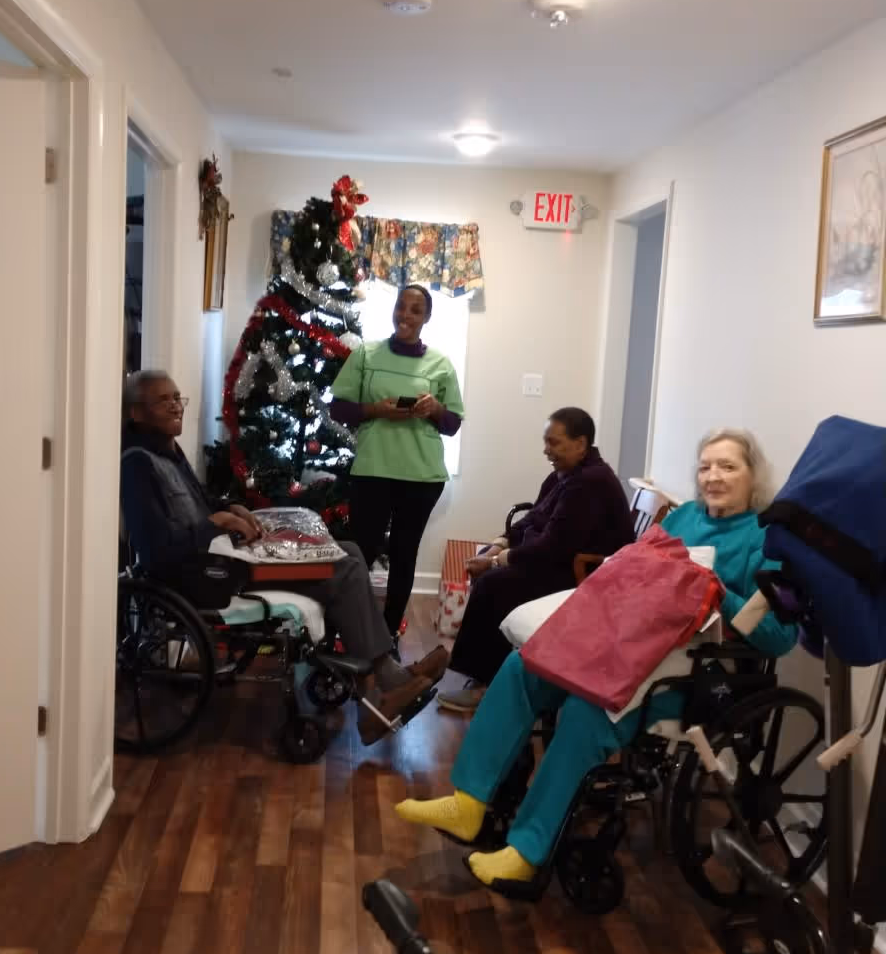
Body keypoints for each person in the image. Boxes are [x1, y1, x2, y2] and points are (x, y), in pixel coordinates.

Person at [395, 429, 797, 892]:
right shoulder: (685, 516)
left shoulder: (763, 539)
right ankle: (468, 801)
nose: (713, 476)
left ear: (754, 476)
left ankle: (526, 851)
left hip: (686, 672)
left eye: (728, 466)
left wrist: (716, 591)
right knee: (524, 666)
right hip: (625, 644)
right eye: (705, 466)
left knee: (589, 713)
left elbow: (777, 637)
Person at [119, 370, 447, 745]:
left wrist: (232, 509)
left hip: (221, 554)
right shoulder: (137, 464)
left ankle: (379, 678)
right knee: (340, 568)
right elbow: (159, 548)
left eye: (178, 397)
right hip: (206, 573)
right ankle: (382, 685)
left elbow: (200, 507)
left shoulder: (167, 451)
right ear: (136, 413)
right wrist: (217, 524)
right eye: (165, 400)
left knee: (350, 550)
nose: (177, 405)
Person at [436, 407, 634, 713]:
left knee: (493, 585)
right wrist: (498, 545)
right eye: (546, 442)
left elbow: (556, 545)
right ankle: (484, 675)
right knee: (490, 570)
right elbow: (534, 518)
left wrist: (498, 561)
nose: (546, 450)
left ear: (581, 444)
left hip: (584, 575)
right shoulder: (566, 475)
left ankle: (488, 685)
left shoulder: (590, 483)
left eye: (554, 443)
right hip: (561, 562)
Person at [331, 284, 464, 653]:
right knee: (361, 553)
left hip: (421, 477)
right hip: (373, 470)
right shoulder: (365, 355)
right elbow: (338, 408)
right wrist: (376, 410)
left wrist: (435, 409)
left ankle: (387, 636)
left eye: (415, 310)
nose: (405, 315)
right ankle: (350, 631)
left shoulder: (441, 364)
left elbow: (453, 424)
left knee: (405, 555)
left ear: (427, 318)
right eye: (401, 307)